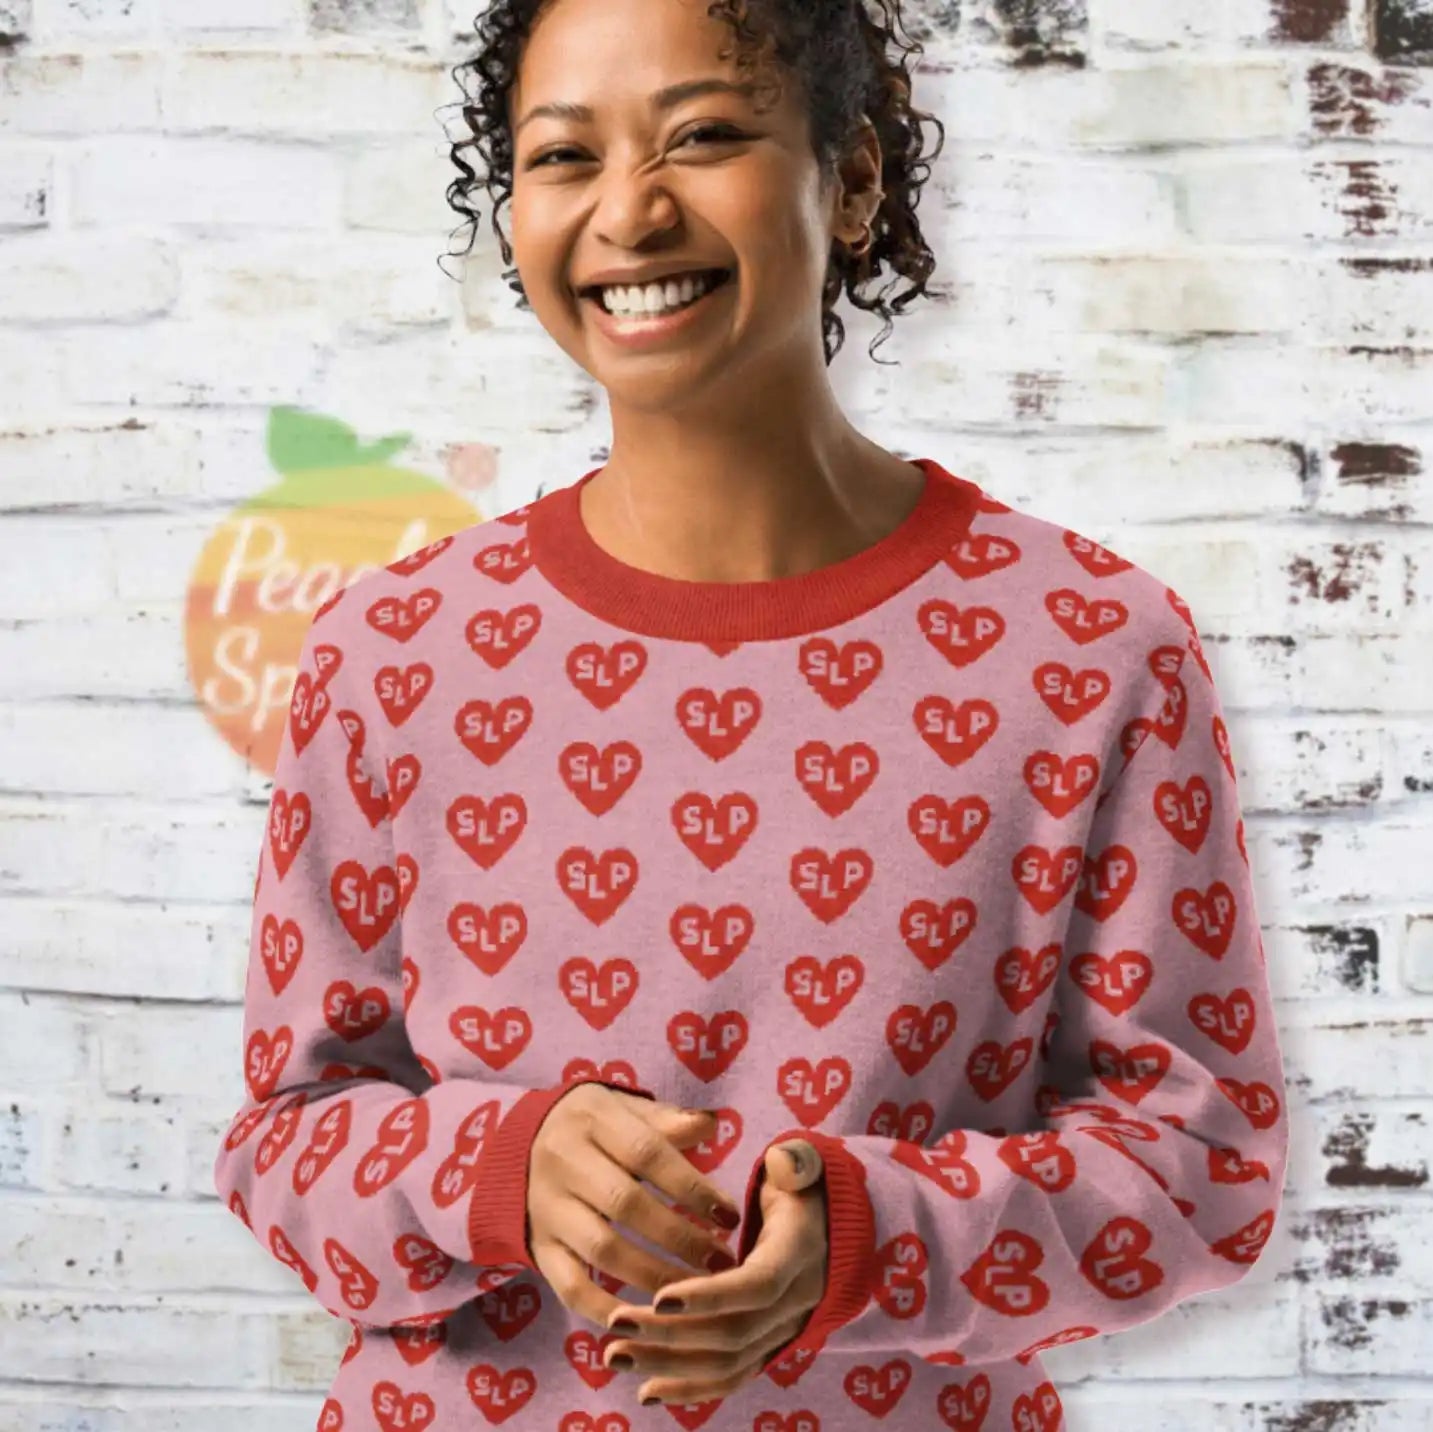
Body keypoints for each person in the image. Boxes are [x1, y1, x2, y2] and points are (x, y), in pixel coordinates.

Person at [213, 0, 1290, 1426]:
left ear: (848, 182)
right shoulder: (394, 650)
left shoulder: (1089, 647)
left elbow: (1197, 1166)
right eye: (561, 156)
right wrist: (493, 1169)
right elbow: (283, 1143)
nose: (628, 213)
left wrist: (870, 1234)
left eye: (703, 137)